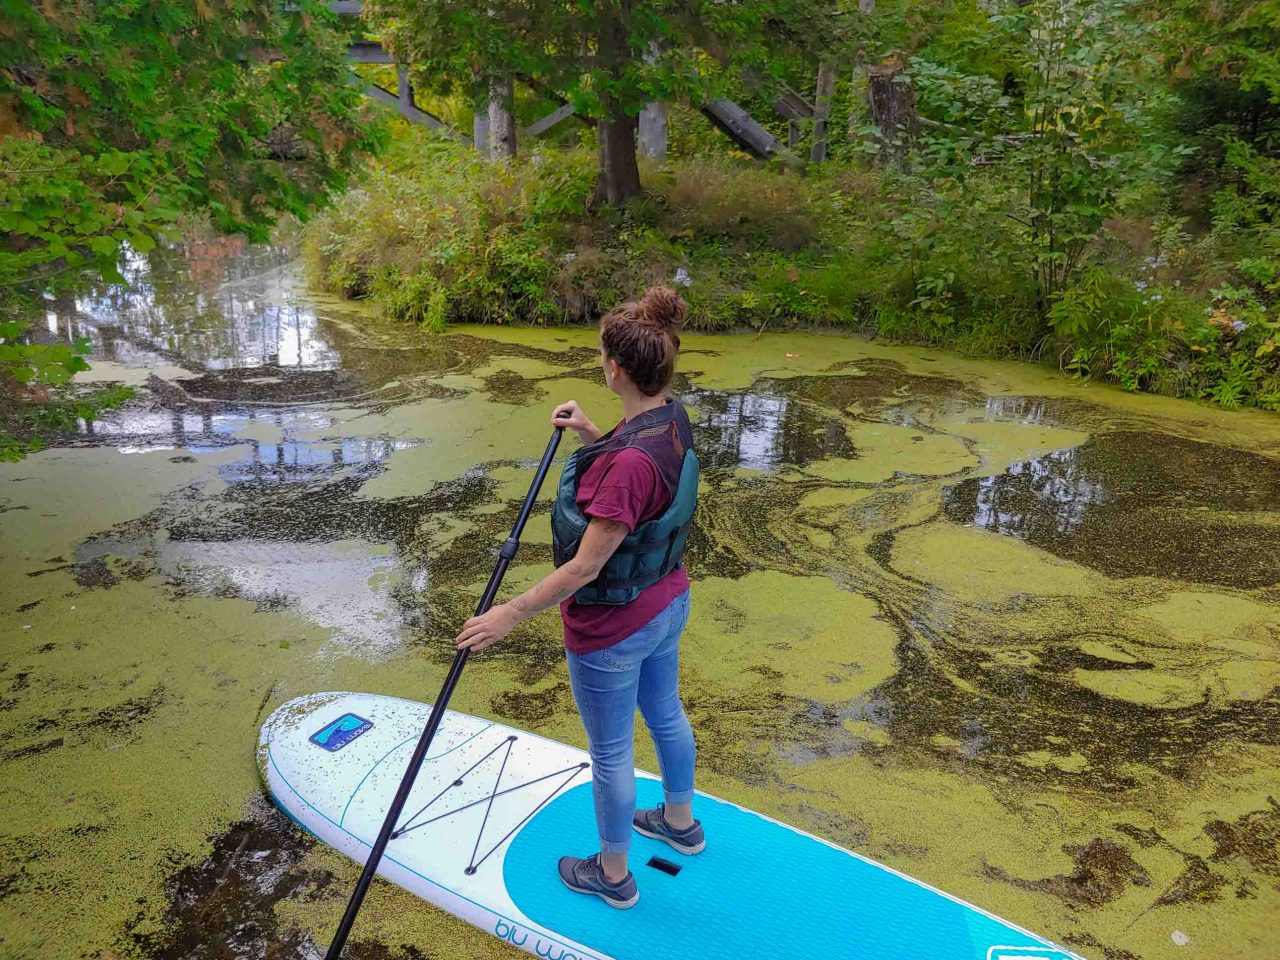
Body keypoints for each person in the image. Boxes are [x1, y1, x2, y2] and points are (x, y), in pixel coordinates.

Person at [454, 285, 703, 909]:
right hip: (668, 600)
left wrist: (506, 615)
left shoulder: (627, 468)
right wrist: (592, 433)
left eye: (601, 353)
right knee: (666, 710)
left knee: (612, 751)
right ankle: (680, 825)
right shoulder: (669, 416)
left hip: (614, 632)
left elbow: (585, 569)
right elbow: (640, 476)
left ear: (615, 367)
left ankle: (613, 878)